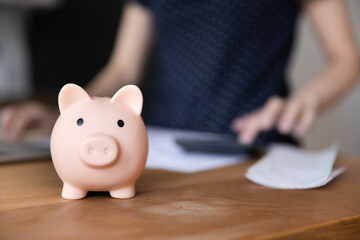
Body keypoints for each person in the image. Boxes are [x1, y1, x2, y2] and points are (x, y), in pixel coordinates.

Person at [0, 0, 359, 145]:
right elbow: (123, 68)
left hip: (254, 146)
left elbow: (346, 57)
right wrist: (73, 117)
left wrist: (306, 99)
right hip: (161, 146)